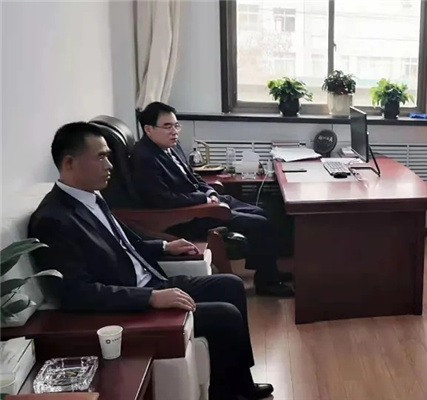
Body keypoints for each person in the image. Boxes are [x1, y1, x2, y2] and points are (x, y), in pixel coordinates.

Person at [28, 122, 275, 400]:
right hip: (128, 304)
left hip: (151, 281)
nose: (110, 165)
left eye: (109, 155)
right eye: (101, 157)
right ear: (69, 163)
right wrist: (150, 298)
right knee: (224, 315)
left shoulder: (91, 197)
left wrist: (165, 246)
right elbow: (75, 293)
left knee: (230, 285)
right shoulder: (53, 220)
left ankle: (239, 384)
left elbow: (124, 242)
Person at [130, 101, 293, 297]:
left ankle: (268, 271)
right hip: (187, 216)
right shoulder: (145, 158)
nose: (174, 131)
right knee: (259, 224)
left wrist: (209, 192)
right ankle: (267, 283)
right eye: (167, 126)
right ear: (148, 129)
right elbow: (163, 200)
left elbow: (193, 176)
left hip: (202, 203)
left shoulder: (171, 146)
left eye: (176, 125)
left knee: (262, 212)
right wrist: (204, 200)